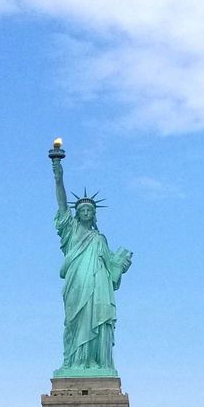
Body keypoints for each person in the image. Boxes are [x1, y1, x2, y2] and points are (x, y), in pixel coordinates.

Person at [51, 152, 132, 374]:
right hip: (77, 282)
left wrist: (120, 266)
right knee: (76, 321)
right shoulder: (71, 230)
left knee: (95, 318)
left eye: (89, 210)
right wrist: (58, 174)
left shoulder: (100, 239)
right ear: (76, 214)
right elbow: (61, 203)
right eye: (82, 210)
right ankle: (74, 362)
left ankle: (96, 362)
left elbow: (112, 272)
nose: (85, 212)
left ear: (94, 215)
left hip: (99, 287)